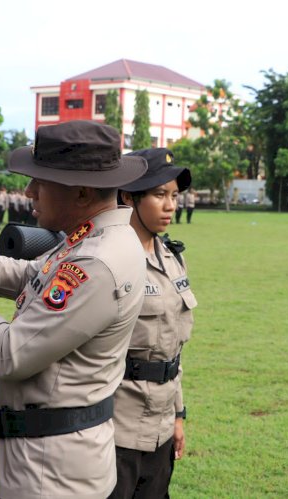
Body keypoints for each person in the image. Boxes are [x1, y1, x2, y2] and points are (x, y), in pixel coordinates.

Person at [0, 120, 148, 498]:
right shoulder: (91, 238)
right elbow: (30, 277)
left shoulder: (96, 261)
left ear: (82, 192)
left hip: (52, 476)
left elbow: (11, 354)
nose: (29, 192)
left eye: (40, 182)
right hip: (48, 462)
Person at [111, 147, 197, 498]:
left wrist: (178, 416)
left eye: (175, 195)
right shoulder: (110, 261)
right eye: (160, 194)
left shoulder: (172, 259)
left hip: (160, 428)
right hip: (115, 429)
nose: (170, 205)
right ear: (128, 197)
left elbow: (172, 350)